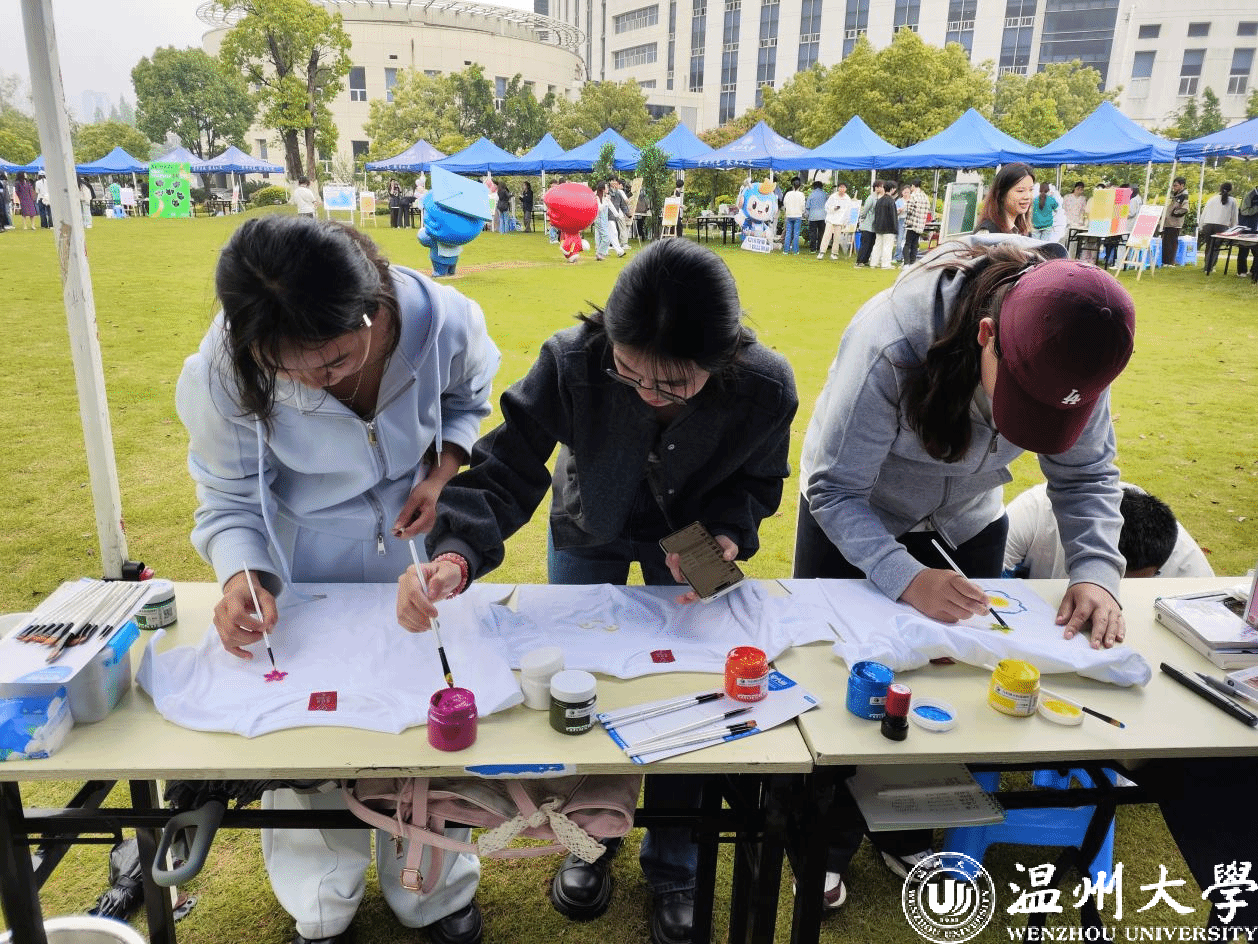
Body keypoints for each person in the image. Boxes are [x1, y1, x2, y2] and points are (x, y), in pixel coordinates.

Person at [399, 238, 798, 944]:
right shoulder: (572, 361)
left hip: (694, 538)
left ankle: (676, 860)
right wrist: (458, 553)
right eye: (629, 371)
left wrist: (727, 537)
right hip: (592, 523)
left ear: (722, 357)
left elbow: (758, 483)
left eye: (672, 384)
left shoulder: (765, 385)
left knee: (693, 691)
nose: (647, 394)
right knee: (581, 684)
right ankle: (591, 838)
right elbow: (506, 466)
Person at [175, 215, 500, 944]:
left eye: (332, 362)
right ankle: (321, 897)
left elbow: (469, 397)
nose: (313, 382)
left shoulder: (443, 321)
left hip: (415, 551)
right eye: (287, 371)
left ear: (373, 310)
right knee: (310, 729)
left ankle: (437, 888)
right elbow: (228, 494)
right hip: (306, 561)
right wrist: (242, 575)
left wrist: (441, 472)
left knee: (427, 713)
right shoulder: (221, 372)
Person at [795, 236, 1136, 908]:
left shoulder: (1082, 345)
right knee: (846, 681)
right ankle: (823, 842)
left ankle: (908, 826)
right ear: (986, 336)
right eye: (1022, 400)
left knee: (956, 681)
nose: (1032, 424)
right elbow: (834, 489)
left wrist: (1096, 570)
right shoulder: (893, 340)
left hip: (967, 522)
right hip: (858, 512)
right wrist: (904, 575)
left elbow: (1088, 475)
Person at [1004, 483, 1214, 580]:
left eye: (1131, 585)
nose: (1111, 595)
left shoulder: (1190, 571)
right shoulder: (1033, 513)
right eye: (1105, 576)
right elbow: (989, 583)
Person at [975, 163, 1034, 235]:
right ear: (1001, 194)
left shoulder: (1023, 230)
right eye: (1020, 191)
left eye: (1031, 190)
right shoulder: (987, 233)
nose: (1027, 196)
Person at [1199, 182, 1238, 276]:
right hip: (1221, 225)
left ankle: (1207, 265)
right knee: (1215, 247)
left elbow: (1204, 212)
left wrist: (1201, 225)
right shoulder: (1233, 201)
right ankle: (1209, 267)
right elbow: (1234, 216)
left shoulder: (1212, 198)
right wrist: (1234, 228)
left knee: (1209, 245)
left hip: (1208, 224)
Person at [818, 183, 854, 260]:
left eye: (843, 187)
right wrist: (833, 208)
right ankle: (822, 252)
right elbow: (827, 206)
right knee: (827, 235)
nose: (842, 189)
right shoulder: (833, 196)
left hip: (840, 220)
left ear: (846, 189)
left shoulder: (847, 198)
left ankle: (834, 253)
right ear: (838, 188)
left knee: (837, 237)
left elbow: (848, 212)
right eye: (840, 187)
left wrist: (846, 222)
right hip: (831, 219)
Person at [1160, 177, 1189, 267]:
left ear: (1182, 185)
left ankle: (1170, 261)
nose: (1174, 187)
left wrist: (1174, 213)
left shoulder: (1184, 195)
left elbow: (1185, 209)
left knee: (1172, 242)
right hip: (1168, 222)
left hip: (1175, 223)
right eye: (1173, 185)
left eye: (1176, 185)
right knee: (1166, 242)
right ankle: (1165, 261)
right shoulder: (1174, 194)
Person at [593, 181, 625, 260]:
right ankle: (600, 253)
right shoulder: (597, 197)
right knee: (606, 238)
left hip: (604, 220)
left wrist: (618, 215)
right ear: (603, 189)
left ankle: (599, 253)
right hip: (599, 220)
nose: (608, 188)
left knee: (602, 237)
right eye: (606, 187)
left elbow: (611, 207)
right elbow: (600, 208)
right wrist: (605, 201)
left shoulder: (606, 197)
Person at [902, 178, 930, 266]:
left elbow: (909, 210)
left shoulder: (913, 196)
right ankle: (912, 262)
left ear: (913, 186)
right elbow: (927, 209)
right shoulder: (924, 196)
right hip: (920, 224)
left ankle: (906, 262)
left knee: (907, 244)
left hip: (912, 223)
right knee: (915, 244)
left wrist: (904, 207)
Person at [871, 181, 899, 269]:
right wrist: (895, 228)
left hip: (879, 227)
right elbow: (893, 216)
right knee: (887, 246)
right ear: (892, 189)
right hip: (889, 227)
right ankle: (885, 264)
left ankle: (874, 262)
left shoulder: (879, 200)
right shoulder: (891, 201)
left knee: (877, 245)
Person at [854, 180, 883, 267]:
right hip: (868, 225)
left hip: (875, 226)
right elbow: (865, 210)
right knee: (865, 244)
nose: (880, 189)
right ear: (875, 188)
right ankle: (860, 261)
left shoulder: (881, 197)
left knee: (871, 244)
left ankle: (865, 260)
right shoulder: (871, 198)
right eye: (878, 187)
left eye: (881, 187)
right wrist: (862, 219)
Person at [1236, 181, 1258, 278]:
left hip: (1255, 227)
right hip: (1247, 227)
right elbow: (1244, 211)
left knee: (1256, 252)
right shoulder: (1250, 195)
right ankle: (1241, 271)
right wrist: (1256, 208)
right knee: (1244, 250)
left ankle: (1253, 271)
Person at [781, 179, 805, 254]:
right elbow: (803, 205)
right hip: (798, 215)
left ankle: (786, 250)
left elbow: (785, 203)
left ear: (793, 186)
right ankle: (795, 250)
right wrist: (802, 212)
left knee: (788, 233)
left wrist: (787, 210)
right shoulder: (801, 194)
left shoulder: (788, 194)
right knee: (796, 233)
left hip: (789, 215)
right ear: (799, 186)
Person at [804, 179, 827, 254]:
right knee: (821, 233)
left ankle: (813, 249)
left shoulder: (811, 195)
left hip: (812, 217)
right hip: (823, 217)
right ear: (821, 187)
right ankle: (820, 247)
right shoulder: (825, 194)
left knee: (813, 233)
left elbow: (807, 207)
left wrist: (806, 216)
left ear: (814, 187)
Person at [609, 177, 632, 247]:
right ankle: (616, 243)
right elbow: (625, 202)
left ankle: (621, 243)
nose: (614, 183)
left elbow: (622, 204)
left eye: (615, 181)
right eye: (612, 181)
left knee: (619, 228)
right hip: (612, 214)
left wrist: (627, 213)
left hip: (617, 214)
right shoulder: (610, 192)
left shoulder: (618, 192)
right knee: (615, 229)